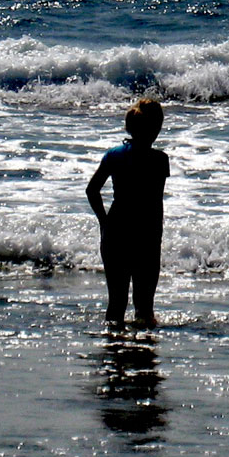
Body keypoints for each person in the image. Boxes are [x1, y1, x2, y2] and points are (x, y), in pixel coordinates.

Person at [86, 98, 169, 327]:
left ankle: (114, 353)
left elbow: (92, 190)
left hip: (116, 230)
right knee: (144, 306)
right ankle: (143, 355)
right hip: (145, 234)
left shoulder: (113, 155)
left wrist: (104, 222)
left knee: (116, 304)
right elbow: (155, 204)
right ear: (155, 128)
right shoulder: (160, 160)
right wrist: (157, 238)